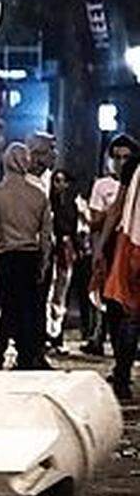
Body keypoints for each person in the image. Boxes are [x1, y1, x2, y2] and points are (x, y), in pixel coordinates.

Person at [0, 143, 53, 371]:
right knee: (30, 307)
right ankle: (29, 355)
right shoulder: (38, 195)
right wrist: (44, 261)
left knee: (9, 307)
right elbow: (46, 235)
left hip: (7, 257)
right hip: (30, 256)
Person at [83, 133, 138, 356]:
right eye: (116, 157)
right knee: (117, 303)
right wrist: (99, 247)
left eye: (125, 156)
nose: (121, 161)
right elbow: (102, 216)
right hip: (120, 243)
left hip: (131, 241)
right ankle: (120, 359)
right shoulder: (105, 184)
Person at [99, 156, 140, 400]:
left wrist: (102, 246)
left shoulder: (134, 166)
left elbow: (118, 208)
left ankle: (122, 377)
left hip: (133, 245)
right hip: (133, 246)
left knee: (130, 315)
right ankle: (122, 377)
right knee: (130, 317)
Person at [46, 169, 80, 353]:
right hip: (52, 249)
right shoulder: (47, 202)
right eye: (55, 181)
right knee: (49, 291)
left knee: (61, 292)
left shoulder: (70, 204)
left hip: (64, 250)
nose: (58, 185)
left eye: (61, 181)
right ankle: (48, 334)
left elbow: (72, 229)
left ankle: (56, 335)